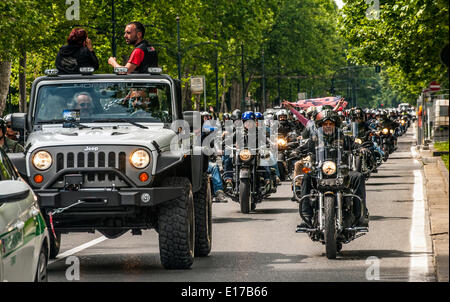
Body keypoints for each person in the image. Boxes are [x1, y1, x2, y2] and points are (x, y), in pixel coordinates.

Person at [296, 109, 369, 229]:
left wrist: (361, 148)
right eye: (325, 124)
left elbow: (354, 145)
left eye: (331, 124)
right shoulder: (314, 139)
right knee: (306, 177)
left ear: (336, 125)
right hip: (319, 171)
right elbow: (303, 148)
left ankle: (359, 215)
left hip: (341, 171)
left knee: (358, 177)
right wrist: (296, 151)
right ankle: (306, 216)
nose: (328, 126)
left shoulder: (343, 137)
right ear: (320, 125)